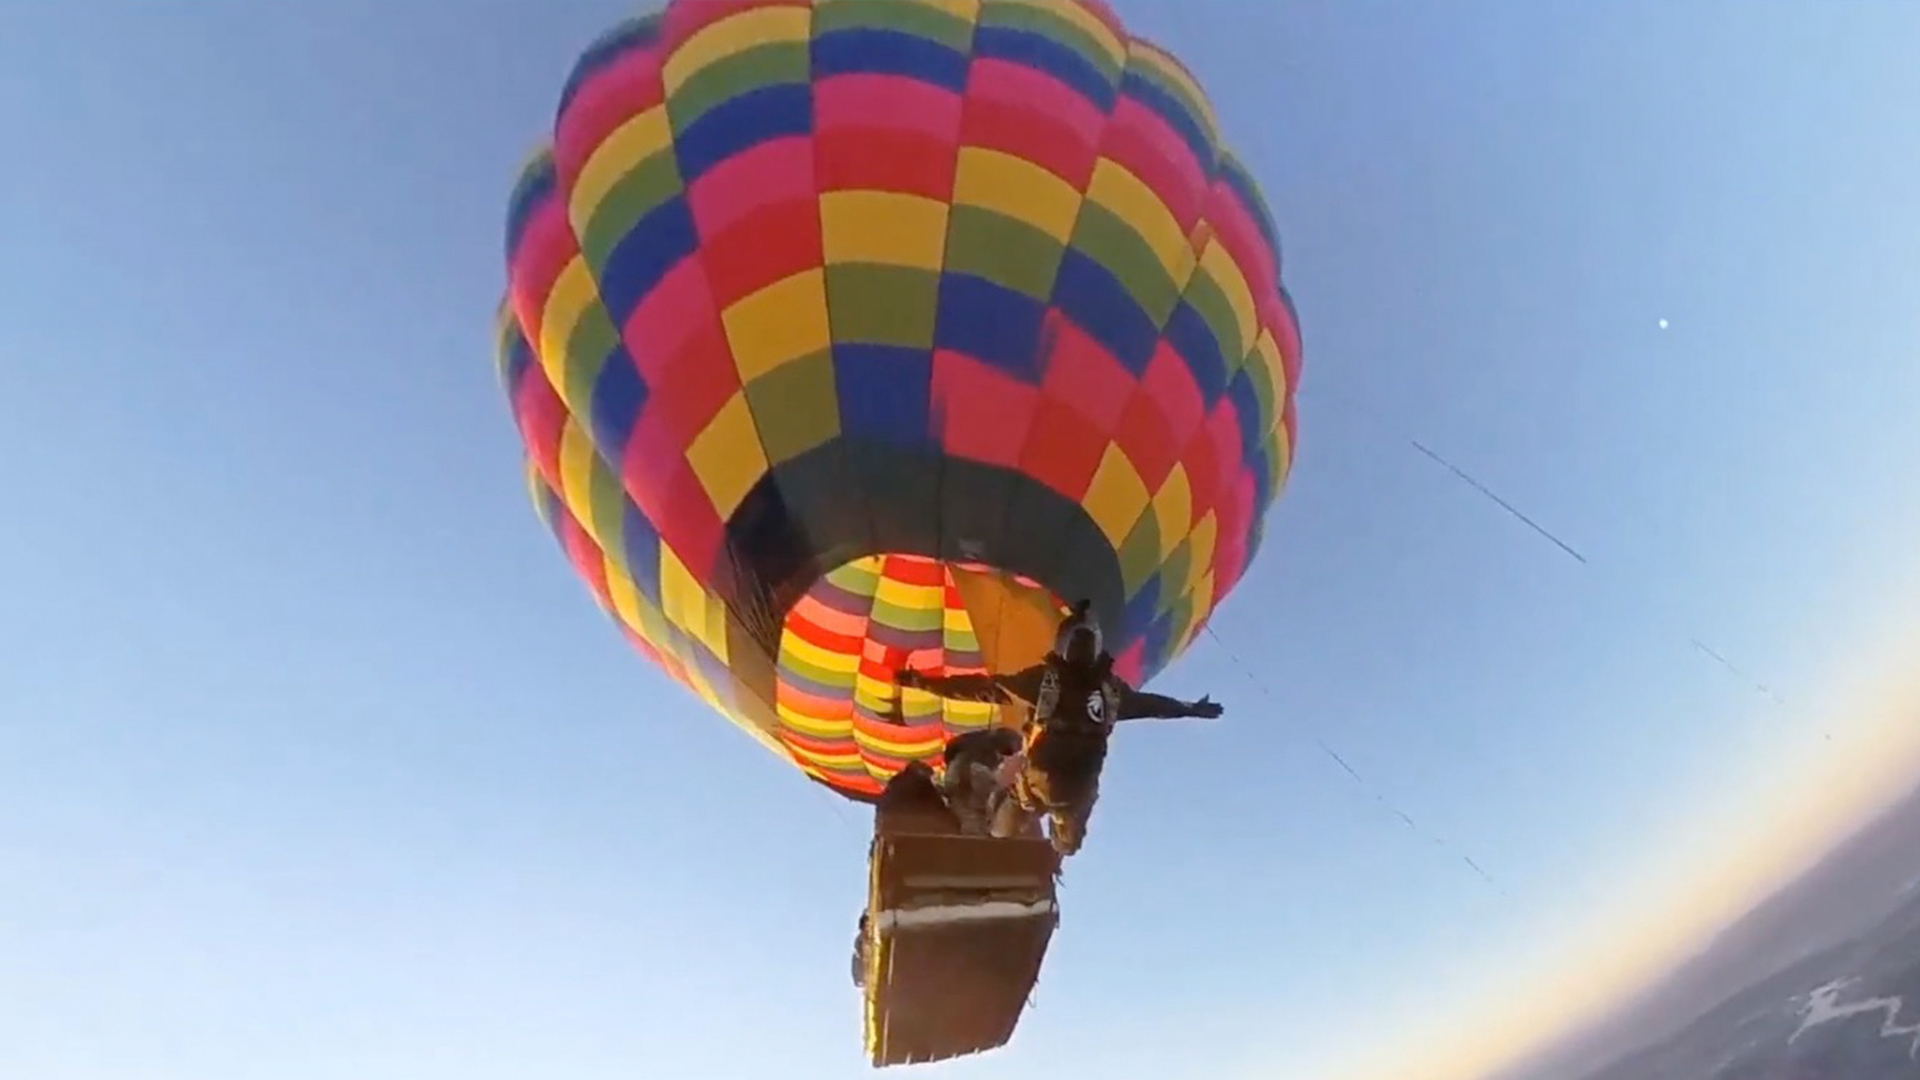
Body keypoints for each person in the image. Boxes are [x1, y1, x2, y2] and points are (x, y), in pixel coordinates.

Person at [896, 600, 1222, 855]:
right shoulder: (1110, 691)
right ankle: (1057, 840)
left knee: (1000, 832)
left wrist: (922, 683)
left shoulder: (1043, 682)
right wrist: (1190, 708)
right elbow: (1152, 705)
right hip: (1076, 793)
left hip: (1036, 787)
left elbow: (978, 689)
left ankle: (1008, 835)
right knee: (1064, 843)